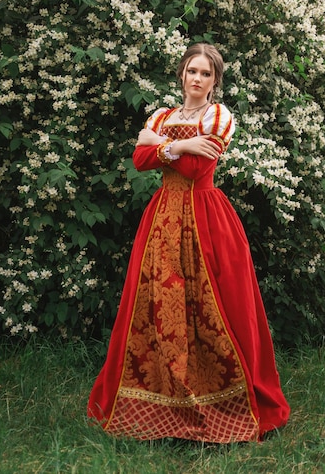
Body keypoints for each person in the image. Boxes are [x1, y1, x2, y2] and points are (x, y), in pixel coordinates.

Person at [87, 43, 290, 442]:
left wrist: (157, 144)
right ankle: (162, 395)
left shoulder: (218, 117)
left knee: (213, 300)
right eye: (192, 71)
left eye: (206, 73)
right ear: (182, 74)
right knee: (157, 302)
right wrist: (179, 145)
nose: (197, 79)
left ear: (215, 81)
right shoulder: (163, 115)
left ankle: (220, 397)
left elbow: (198, 169)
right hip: (163, 219)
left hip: (206, 218)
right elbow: (140, 161)